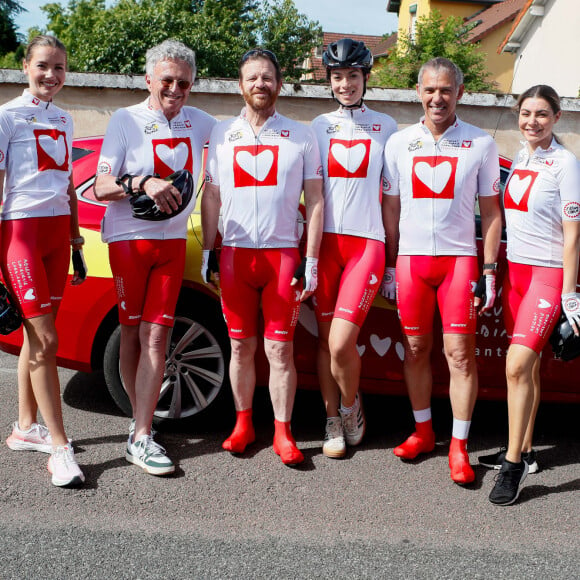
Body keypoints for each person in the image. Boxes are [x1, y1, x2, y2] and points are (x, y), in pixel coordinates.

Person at [94, 39, 216, 475]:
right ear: (149, 79)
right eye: (167, 80)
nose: (175, 89)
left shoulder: (200, 121)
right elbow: (99, 186)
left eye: (184, 82)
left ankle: (142, 435)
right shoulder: (125, 120)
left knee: (157, 338)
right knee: (130, 334)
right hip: (129, 240)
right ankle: (138, 423)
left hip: (171, 243)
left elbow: (242, 142)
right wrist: (141, 181)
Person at [201, 48, 324, 466]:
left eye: (268, 77)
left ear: (279, 83)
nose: (260, 84)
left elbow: (317, 200)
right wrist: (208, 250)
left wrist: (311, 260)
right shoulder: (221, 133)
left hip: (282, 257)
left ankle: (283, 432)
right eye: (252, 77)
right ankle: (243, 423)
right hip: (235, 255)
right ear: (240, 84)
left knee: (280, 351)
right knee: (240, 348)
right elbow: (212, 195)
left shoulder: (301, 134)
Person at [383, 57, 502, 484]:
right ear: (419, 92)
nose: (438, 98)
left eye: (446, 90)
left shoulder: (480, 143)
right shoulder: (398, 143)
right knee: (414, 350)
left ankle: (458, 446)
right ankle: (422, 432)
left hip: (458, 263)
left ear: (460, 93)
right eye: (430, 90)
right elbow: (391, 208)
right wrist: (392, 265)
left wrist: (489, 270)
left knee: (459, 356)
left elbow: (491, 213)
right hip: (413, 262)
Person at [0, 35, 87, 487]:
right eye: (42, 66)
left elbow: (69, 184)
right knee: (48, 340)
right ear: (24, 66)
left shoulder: (66, 118)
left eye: (59, 68)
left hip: (57, 235)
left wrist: (74, 238)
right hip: (21, 234)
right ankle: (59, 447)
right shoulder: (6, 115)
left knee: (37, 340)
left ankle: (24, 427)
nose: (51, 75)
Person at [487, 85, 580, 505]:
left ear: (557, 118)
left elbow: (573, 235)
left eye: (542, 115)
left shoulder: (566, 163)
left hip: (546, 275)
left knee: (517, 365)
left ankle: (511, 466)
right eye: (526, 113)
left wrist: (570, 293)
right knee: (529, 369)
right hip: (515, 274)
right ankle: (525, 451)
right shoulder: (522, 157)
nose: (532, 122)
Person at [310, 38, 397, 458]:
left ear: (366, 78)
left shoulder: (387, 127)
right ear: (329, 80)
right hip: (325, 244)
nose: (346, 84)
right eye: (338, 77)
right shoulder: (316, 127)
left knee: (342, 343)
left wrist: (395, 264)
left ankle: (350, 406)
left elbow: (395, 199)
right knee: (325, 343)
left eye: (354, 76)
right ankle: (331, 420)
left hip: (367, 244)